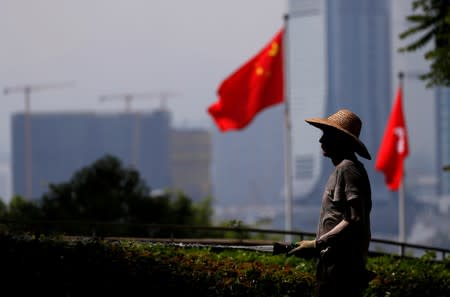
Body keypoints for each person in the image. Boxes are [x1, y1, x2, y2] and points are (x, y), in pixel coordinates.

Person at [288, 108, 373, 297]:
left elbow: (354, 219)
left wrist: (317, 244)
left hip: (342, 270)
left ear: (342, 140)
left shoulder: (348, 170)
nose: (321, 140)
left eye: (327, 134)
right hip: (332, 265)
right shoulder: (342, 170)